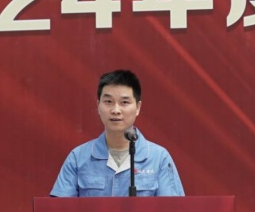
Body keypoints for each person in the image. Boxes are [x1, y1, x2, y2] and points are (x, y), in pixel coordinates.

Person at [50, 69, 185, 197]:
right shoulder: (78, 158)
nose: (115, 110)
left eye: (124, 102)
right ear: (98, 106)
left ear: (138, 107)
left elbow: (174, 210)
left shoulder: (159, 158)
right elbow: (60, 210)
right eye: (108, 102)